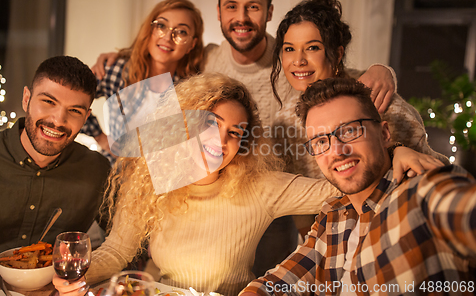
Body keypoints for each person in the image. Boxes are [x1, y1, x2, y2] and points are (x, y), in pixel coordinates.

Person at [90, 0, 397, 277]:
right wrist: (122, 56)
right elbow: (163, 63)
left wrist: (381, 73)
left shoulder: (291, 59)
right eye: (231, 7)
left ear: (269, 12)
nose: (241, 17)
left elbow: (335, 76)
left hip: (272, 219)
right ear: (219, 13)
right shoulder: (207, 60)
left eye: (253, 7)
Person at [52, 73, 439, 296]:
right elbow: (117, 250)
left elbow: (345, 181)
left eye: (235, 133)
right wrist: (72, 279)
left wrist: (396, 151)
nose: (223, 142)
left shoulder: (257, 185)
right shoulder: (157, 178)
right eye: (211, 126)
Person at [240, 77, 476, 296]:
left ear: (384, 134)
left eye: (350, 131)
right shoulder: (333, 215)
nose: (337, 151)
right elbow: (284, 280)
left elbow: (458, 204)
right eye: (322, 141)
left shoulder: (419, 193)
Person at [270, 0, 448, 189]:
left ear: (337, 54)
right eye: (289, 49)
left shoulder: (376, 99)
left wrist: (397, 149)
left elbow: (433, 173)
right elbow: (297, 198)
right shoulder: (285, 122)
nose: (298, 61)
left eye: (312, 48)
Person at [0, 56, 111, 275]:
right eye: (48, 102)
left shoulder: (97, 170)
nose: (58, 121)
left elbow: (126, 239)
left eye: (75, 111)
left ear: (86, 117)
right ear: (26, 98)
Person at [84, 0, 204, 162]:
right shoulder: (116, 70)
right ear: (150, 30)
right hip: (112, 173)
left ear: (192, 44)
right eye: (161, 26)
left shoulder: (192, 92)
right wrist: (99, 137)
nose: (168, 37)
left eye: (181, 32)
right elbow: (71, 99)